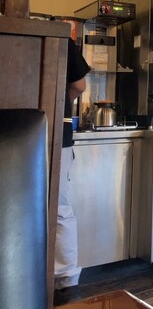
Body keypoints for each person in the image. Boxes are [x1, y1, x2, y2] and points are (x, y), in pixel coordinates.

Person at [55, 38, 91, 290]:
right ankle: (64, 278)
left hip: (17, 128)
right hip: (58, 132)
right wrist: (60, 102)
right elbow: (79, 85)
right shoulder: (60, 38)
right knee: (58, 204)